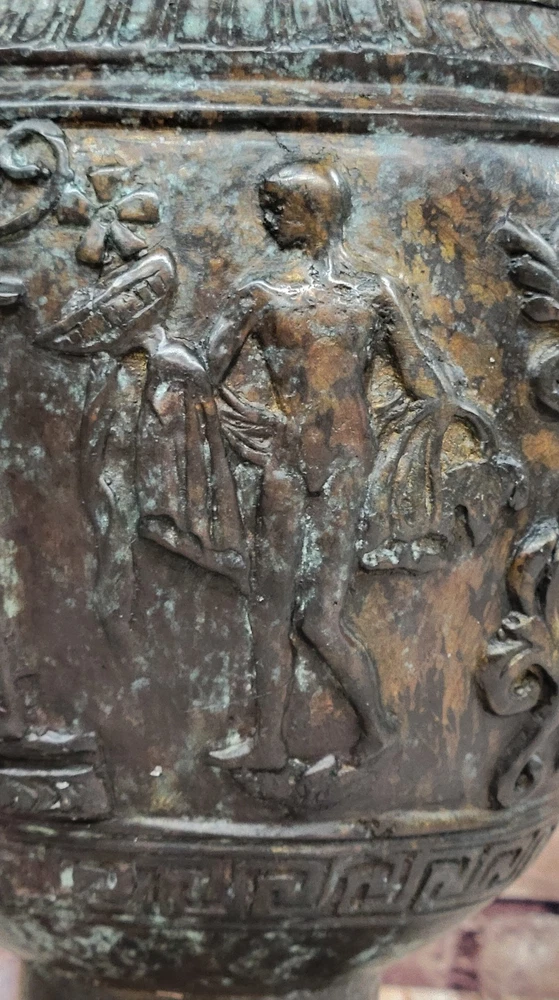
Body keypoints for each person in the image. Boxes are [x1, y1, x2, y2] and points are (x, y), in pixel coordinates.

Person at [205, 160, 489, 771]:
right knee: (273, 610)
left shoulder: (370, 297)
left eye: (279, 207)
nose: (268, 219)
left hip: (341, 465)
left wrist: (435, 436)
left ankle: (376, 728)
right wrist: (241, 421)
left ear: (314, 213)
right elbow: (202, 374)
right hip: (290, 460)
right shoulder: (262, 298)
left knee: (317, 618)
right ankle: (269, 743)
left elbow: (423, 380)